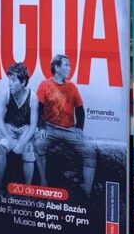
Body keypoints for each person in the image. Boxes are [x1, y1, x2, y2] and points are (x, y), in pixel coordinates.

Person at [35, 54, 96, 196]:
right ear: (57, 67)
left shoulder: (72, 87)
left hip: (69, 130)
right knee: (38, 145)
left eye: (70, 65)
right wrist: (41, 127)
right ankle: (43, 182)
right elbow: (38, 109)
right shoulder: (44, 85)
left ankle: (86, 189)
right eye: (66, 65)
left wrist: (79, 127)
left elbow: (80, 109)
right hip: (50, 128)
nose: (70, 68)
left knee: (90, 151)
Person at [0, 62, 40, 188]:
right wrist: (10, 139)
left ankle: (27, 188)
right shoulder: (5, 94)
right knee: (2, 148)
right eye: (9, 79)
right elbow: (0, 121)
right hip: (9, 128)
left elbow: (33, 126)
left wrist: (21, 144)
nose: (9, 83)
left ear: (23, 82)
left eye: (13, 80)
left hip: (25, 129)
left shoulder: (33, 97)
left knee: (28, 151)